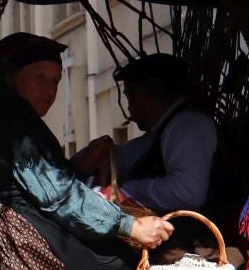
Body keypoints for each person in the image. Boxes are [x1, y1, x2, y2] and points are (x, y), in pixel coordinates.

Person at [0, 33, 171, 270]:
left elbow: (38, 180)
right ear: (11, 76)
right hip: (11, 233)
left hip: (13, 218)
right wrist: (131, 226)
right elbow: (58, 195)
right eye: (40, 77)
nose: (50, 90)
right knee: (117, 267)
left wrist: (78, 166)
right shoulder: (11, 117)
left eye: (55, 81)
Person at [87, 52, 219, 214]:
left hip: (196, 234)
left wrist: (124, 190)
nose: (129, 107)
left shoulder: (188, 125)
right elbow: (130, 155)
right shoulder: (163, 130)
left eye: (130, 96)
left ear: (147, 93)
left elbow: (189, 193)